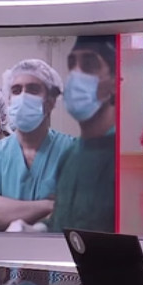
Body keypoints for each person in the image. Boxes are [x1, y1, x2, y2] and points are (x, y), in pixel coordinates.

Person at [0, 59, 75, 231]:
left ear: (50, 101)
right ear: (9, 100)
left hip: (55, 248)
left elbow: (77, 213)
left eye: (33, 90)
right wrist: (51, 205)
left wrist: (4, 212)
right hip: (4, 249)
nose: (23, 96)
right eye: (16, 90)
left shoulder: (71, 151)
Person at [48, 35, 117, 233]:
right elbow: (62, 221)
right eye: (72, 64)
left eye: (89, 64)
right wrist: (37, 229)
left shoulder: (119, 159)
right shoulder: (70, 155)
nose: (76, 74)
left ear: (114, 81)